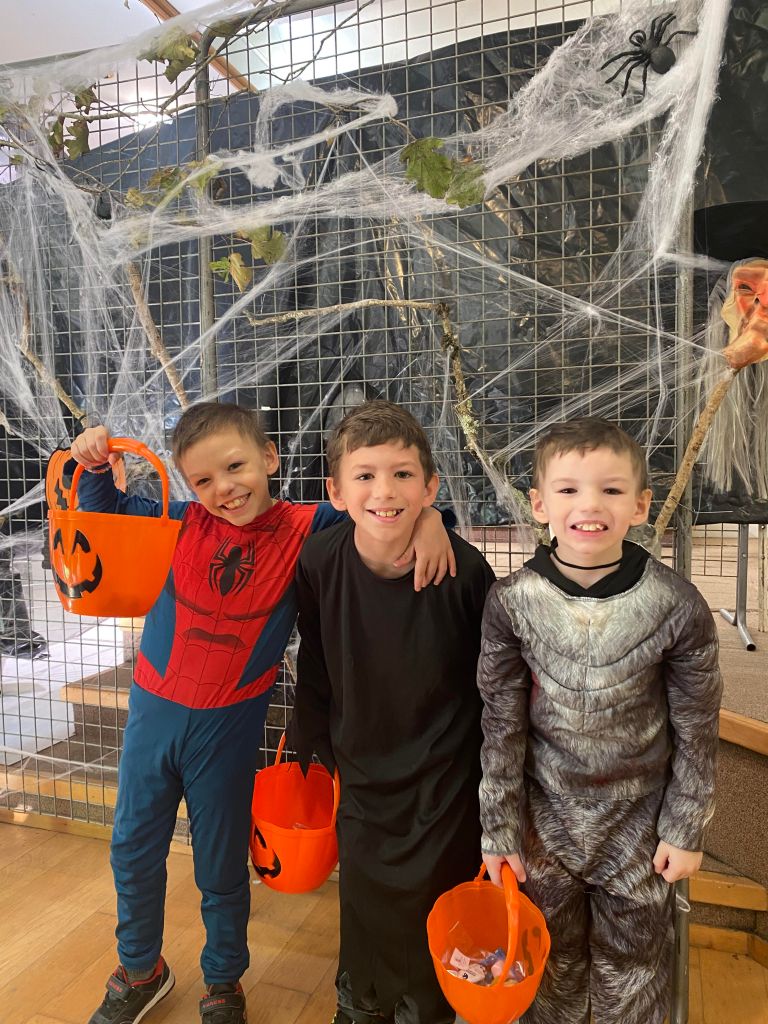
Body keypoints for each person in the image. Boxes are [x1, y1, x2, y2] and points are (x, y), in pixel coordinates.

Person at [64, 401, 454, 1024]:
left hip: (228, 728)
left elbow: (381, 509)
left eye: (235, 467)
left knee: (220, 862)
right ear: (188, 484)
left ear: (269, 457)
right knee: (132, 847)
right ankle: (139, 968)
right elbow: (103, 514)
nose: (224, 488)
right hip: (153, 716)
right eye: (203, 479)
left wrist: (433, 519)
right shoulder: (178, 521)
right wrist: (89, 463)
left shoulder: (309, 526)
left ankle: (223, 981)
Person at [477, 417, 723, 1024]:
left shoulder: (676, 603)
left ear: (641, 505)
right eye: (568, 489)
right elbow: (501, 725)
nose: (590, 505)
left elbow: (697, 725)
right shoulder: (511, 602)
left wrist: (685, 826)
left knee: (634, 969)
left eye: (611, 490)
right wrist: (499, 829)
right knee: (546, 962)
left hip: (640, 827)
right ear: (539, 504)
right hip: (545, 822)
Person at [288, 399, 497, 1024]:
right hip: (360, 763)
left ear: (430, 487)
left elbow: (491, 682)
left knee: (435, 893)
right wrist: (313, 733)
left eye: (403, 475)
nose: (384, 491)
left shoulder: (465, 571)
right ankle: (361, 998)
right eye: (365, 475)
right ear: (336, 492)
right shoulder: (319, 560)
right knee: (364, 888)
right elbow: (316, 652)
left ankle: (428, 1007)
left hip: (444, 772)